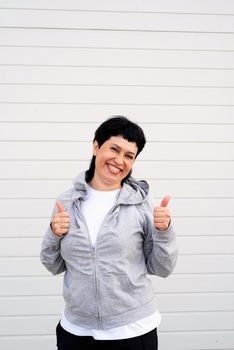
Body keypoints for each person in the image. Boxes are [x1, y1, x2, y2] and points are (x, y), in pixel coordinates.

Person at [40, 116, 178, 350]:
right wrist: (54, 233)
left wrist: (164, 231)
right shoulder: (67, 201)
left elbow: (162, 268)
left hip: (133, 331)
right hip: (76, 331)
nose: (119, 160)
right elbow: (52, 265)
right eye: (114, 149)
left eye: (129, 156)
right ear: (96, 146)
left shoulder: (141, 204)